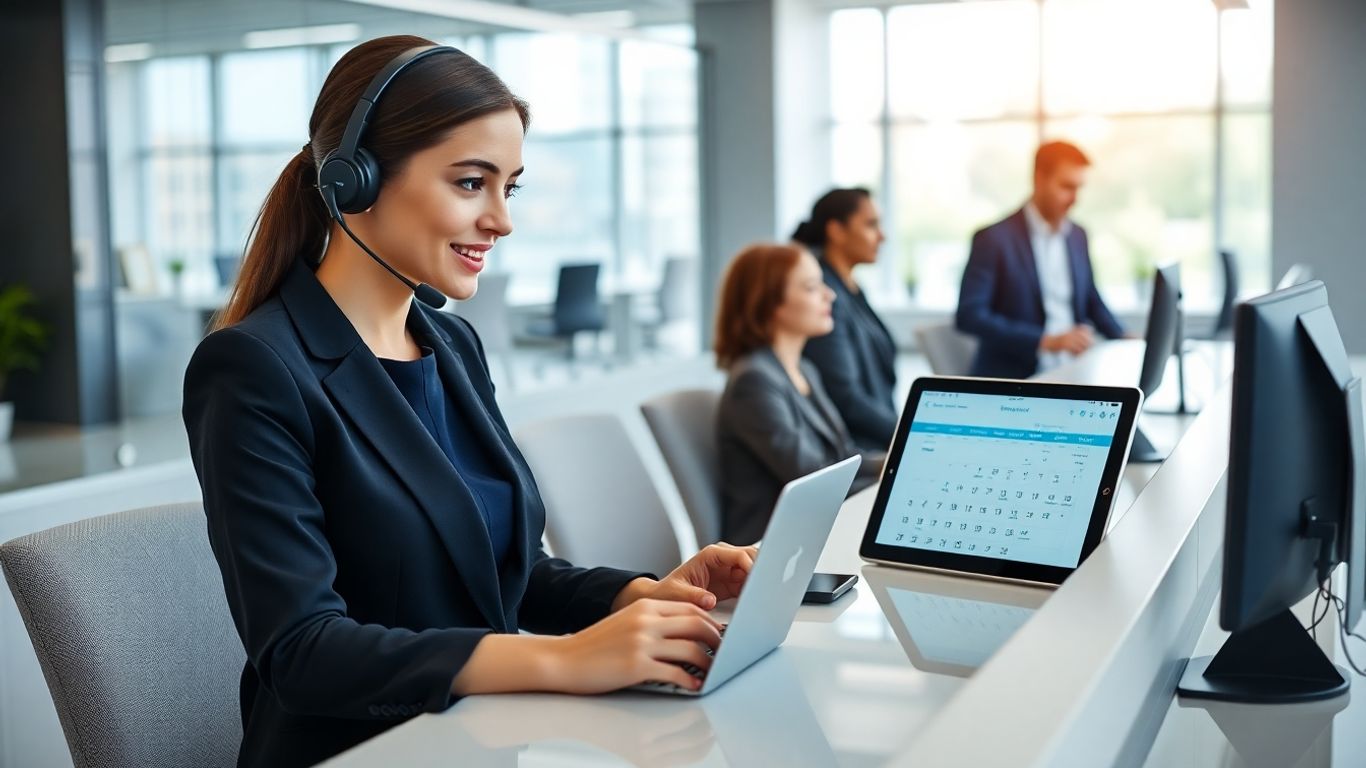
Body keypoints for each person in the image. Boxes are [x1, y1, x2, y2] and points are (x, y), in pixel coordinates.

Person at [183, 36, 757, 768]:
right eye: (469, 183)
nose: (501, 220)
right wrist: (565, 661)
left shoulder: (452, 349)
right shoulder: (253, 369)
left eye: (508, 187)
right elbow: (303, 651)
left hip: (484, 740)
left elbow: (505, 571)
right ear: (353, 181)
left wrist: (641, 598)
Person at [714, 243, 884, 546]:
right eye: (811, 287)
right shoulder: (753, 382)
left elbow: (842, 456)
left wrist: (896, 463)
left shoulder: (804, 368)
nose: (829, 294)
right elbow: (814, 479)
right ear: (769, 303)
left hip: (818, 529)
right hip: (775, 548)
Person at [955, 141, 1125, 379]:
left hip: (1073, 370)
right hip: (1016, 379)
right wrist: (1045, 341)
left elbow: (1090, 300)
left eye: (1079, 188)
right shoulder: (993, 239)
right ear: (1039, 179)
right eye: (1066, 187)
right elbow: (970, 316)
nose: (1075, 199)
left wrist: (1124, 336)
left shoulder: (1078, 235)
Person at [792, 188, 899, 451]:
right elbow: (846, 397)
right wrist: (908, 433)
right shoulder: (826, 300)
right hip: (858, 449)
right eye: (871, 225)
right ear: (836, 230)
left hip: (879, 440)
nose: (882, 236)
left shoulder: (851, 288)